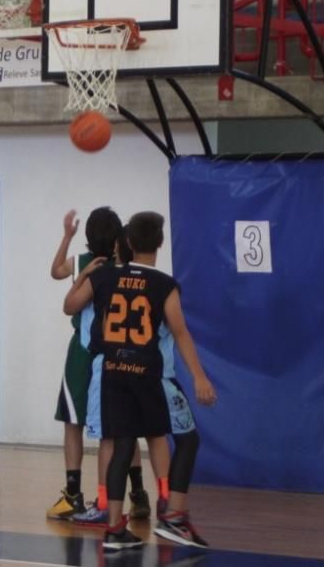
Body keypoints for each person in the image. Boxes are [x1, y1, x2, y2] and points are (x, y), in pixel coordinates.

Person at [64, 211, 216, 551]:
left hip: (111, 372)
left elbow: (69, 306)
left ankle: (115, 526)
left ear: (127, 242)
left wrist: (84, 275)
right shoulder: (164, 285)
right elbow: (180, 332)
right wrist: (200, 376)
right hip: (146, 373)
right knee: (177, 440)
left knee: (120, 446)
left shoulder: (104, 276)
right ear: (160, 244)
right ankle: (172, 513)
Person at [47, 208, 152, 522]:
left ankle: (74, 494)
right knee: (124, 426)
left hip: (86, 352)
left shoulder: (85, 264)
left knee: (74, 422)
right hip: (121, 353)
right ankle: (137, 493)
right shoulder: (128, 266)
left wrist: (67, 236)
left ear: (89, 237)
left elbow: (57, 277)